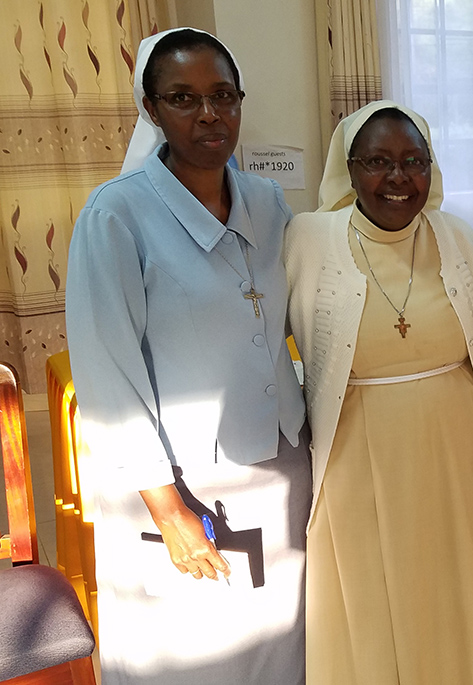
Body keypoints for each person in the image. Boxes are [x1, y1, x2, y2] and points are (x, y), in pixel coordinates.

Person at [66, 28, 309, 685]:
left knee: (283, 649)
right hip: (180, 484)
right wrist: (169, 509)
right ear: (150, 109)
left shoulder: (267, 201)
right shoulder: (116, 217)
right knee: (192, 655)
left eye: (223, 96)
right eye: (184, 97)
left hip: (279, 466)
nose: (209, 114)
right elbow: (108, 378)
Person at [284, 100, 473, 684]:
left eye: (414, 161)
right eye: (378, 162)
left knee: (458, 589)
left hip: (459, 452)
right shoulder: (310, 239)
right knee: (372, 596)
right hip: (358, 450)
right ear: (349, 167)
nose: (397, 178)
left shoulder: (457, 236)